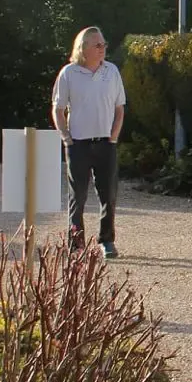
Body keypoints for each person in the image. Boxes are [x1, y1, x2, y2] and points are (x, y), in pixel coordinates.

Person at [52, 26, 127, 259]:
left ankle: (107, 241)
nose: (103, 48)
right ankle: (76, 244)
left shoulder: (112, 71)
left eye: (104, 44)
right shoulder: (69, 73)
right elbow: (58, 108)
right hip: (79, 144)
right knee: (78, 196)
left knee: (109, 194)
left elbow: (119, 108)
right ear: (83, 49)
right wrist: (66, 137)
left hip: (105, 143)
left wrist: (114, 136)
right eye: (97, 45)